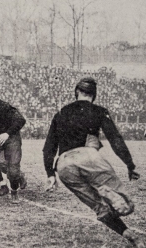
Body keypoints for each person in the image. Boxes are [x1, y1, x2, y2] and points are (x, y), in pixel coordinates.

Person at [43, 77, 144, 247]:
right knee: (127, 205)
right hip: (88, 156)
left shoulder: (60, 112)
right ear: (94, 95)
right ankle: (109, 192)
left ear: (76, 92)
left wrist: (50, 174)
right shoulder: (98, 111)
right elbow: (115, 139)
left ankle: (130, 236)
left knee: (100, 209)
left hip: (64, 165)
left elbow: (48, 148)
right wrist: (129, 164)